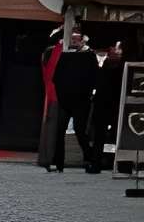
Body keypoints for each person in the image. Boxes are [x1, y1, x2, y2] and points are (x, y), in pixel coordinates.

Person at [49, 30, 99, 173]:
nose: (74, 41)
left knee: (80, 131)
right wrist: (61, 95)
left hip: (81, 101)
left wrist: (88, 94)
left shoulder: (89, 56)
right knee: (59, 131)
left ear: (83, 41)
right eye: (72, 39)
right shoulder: (65, 55)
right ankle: (58, 162)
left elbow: (94, 78)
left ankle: (89, 158)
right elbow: (56, 77)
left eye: (76, 39)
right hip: (65, 101)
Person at [85, 41, 123, 174]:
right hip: (114, 104)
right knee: (114, 135)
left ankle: (97, 163)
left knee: (100, 136)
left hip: (104, 104)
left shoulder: (106, 67)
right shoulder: (120, 68)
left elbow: (98, 83)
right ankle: (122, 165)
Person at [36, 30, 64, 170]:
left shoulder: (48, 52)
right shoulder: (56, 52)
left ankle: (48, 158)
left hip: (52, 93)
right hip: (57, 93)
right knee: (55, 128)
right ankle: (52, 158)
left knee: (51, 126)